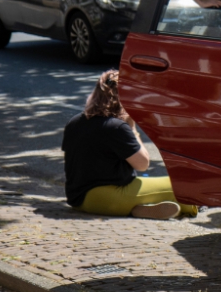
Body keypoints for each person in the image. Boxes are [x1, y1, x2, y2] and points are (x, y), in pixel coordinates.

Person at [62, 70, 198, 220]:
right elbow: (143, 164)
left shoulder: (74, 122)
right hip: (109, 197)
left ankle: (138, 209)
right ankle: (191, 208)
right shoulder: (116, 127)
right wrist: (132, 128)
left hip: (76, 199)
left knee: (151, 189)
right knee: (180, 185)